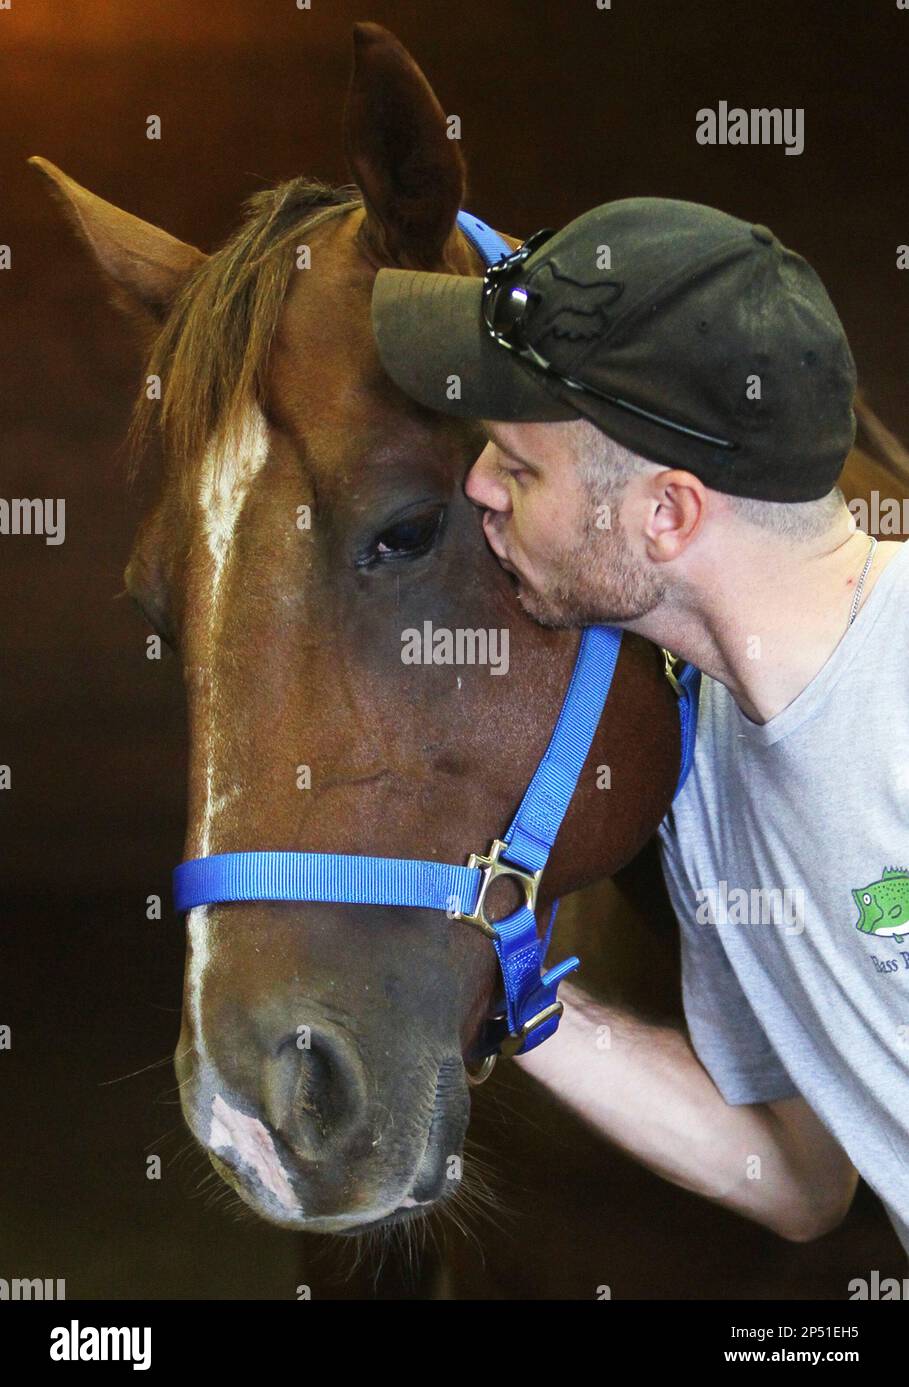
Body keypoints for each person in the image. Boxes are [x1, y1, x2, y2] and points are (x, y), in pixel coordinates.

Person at [369, 198, 909, 1253]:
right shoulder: (707, 780)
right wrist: (513, 988)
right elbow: (799, 1174)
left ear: (666, 514)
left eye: (520, 468)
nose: (478, 483)